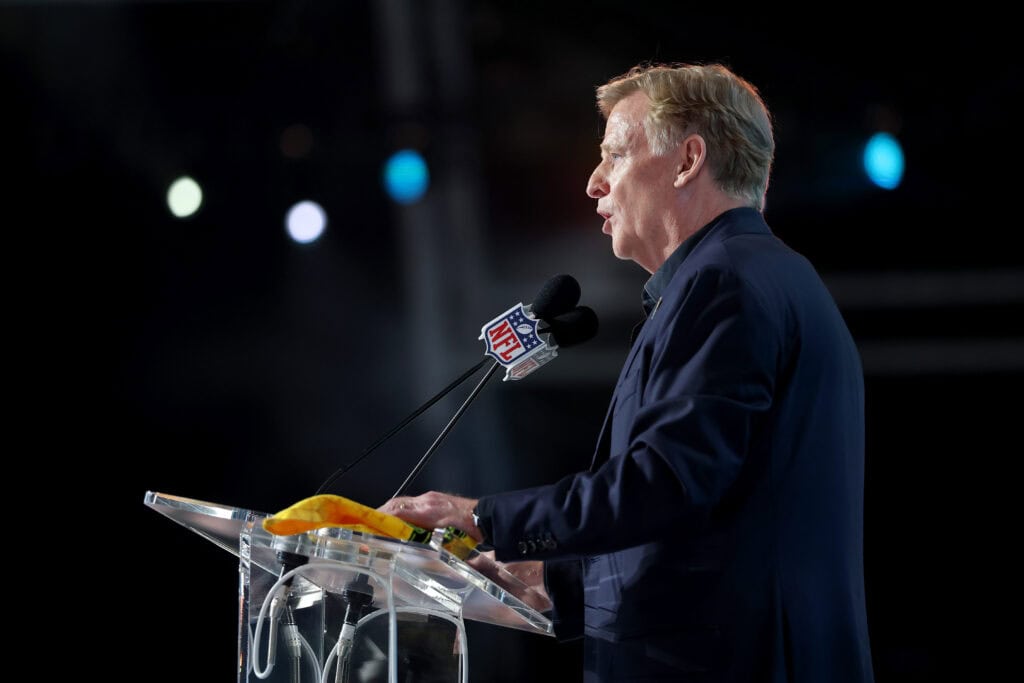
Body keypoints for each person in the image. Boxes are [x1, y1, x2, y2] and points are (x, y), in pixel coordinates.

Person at [378, 61, 874, 682]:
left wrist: (479, 518)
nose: (593, 182)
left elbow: (665, 483)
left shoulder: (725, 283)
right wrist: (555, 580)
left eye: (614, 155)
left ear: (688, 160)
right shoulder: (755, 276)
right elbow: (709, 525)